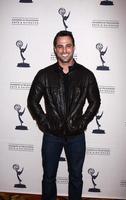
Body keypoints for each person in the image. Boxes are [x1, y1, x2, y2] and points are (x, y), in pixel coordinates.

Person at [27, 30, 101, 200]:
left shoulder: (86, 75)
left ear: (73, 47)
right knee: (48, 177)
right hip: (51, 136)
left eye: (68, 46)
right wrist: (45, 124)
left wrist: (82, 123)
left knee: (76, 177)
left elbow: (95, 102)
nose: (64, 50)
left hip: (76, 136)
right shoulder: (44, 75)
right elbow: (32, 101)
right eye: (60, 46)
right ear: (55, 49)